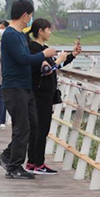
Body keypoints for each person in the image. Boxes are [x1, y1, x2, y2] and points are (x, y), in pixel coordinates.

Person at [0, 0, 57, 180]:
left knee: (32, 124)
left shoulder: (21, 36)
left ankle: (7, 156)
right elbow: (23, 59)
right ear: (25, 15)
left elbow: (28, 57)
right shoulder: (10, 35)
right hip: (14, 87)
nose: (31, 18)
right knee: (22, 127)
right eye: (30, 15)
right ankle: (14, 167)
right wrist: (44, 55)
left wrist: (41, 60)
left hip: (25, 86)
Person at [27, 18, 81, 175]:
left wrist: (71, 55)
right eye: (48, 29)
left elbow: (56, 66)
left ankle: (32, 162)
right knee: (41, 129)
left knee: (38, 129)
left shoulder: (42, 49)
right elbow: (47, 70)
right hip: (40, 95)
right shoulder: (36, 50)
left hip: (44, 94)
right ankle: (38, 163)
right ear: (40, 31)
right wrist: (59, 59)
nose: (50, 32)